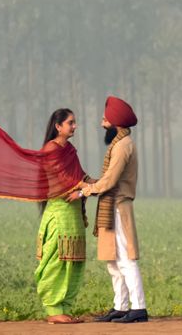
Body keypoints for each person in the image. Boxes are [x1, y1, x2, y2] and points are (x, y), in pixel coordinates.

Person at [67, 96, 147, 323]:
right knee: (112, 261)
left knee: (125, 259)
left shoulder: (123, 146)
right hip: (110, 206)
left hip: (119, 207)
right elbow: (106, 180)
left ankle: (139, 308)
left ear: (116, 123)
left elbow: (110, 180)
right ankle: (120, 306)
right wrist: (87, 183)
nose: (102, 123)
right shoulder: (118, 144)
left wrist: (84, 192)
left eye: (105, 120)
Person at [35, 109, 91, 325]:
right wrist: (89, 187)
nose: (74, 126)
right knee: (56, 260)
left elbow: (79, 175)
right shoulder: (51, 149)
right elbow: (63, 178)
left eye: (75, 122)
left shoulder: (69, 150)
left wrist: (99, 182)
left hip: (73, 211)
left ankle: (64, 308)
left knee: (73, 261)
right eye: (70, 122)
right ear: (58, 126)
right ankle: (53, 307)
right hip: (59, 211)